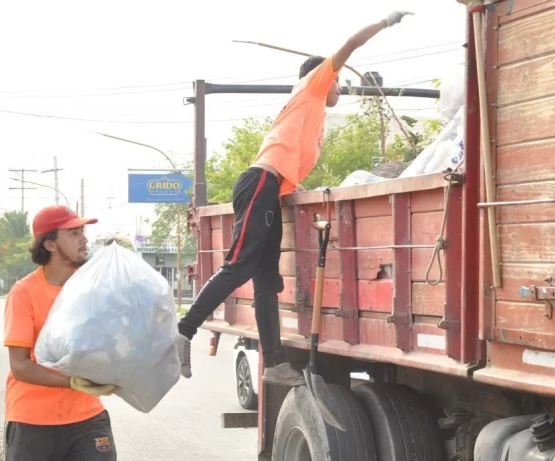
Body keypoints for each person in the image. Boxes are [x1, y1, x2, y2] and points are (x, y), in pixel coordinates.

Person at [176, 11, 412, 385]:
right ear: (326, 77)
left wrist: (291, 189)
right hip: (258, 184)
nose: (341, 90)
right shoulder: (313, 87)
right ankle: (184, 330)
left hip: (272, 189)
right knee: (238, 266)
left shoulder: (312, 111)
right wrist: (385, 22)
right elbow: (350, 45)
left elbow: (288, 161)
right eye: (339, 83)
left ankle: (274, 364)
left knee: (267, 282)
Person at [3, 205, 119, 461]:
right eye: (74, 233)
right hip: (32, 421)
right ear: (51, 244)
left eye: (83, 231)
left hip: (88, 419)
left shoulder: (94, 288)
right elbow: (20, 367)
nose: (84, 238)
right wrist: (73, 382)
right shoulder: (24, 293)